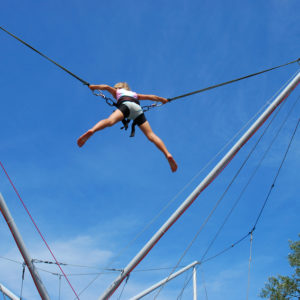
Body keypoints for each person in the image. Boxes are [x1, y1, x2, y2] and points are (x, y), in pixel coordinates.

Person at [77, 82, 178, 172]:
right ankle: (167, 153)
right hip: (138, 109)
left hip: (126, 105)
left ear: (117, 87)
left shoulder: (117, 91)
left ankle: (92, 130)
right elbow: (150, 97)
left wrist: (92, 86)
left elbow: (106, 87)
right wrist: (163, 100)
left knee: (110, 121)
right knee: (151, 135)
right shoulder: (135, 94)